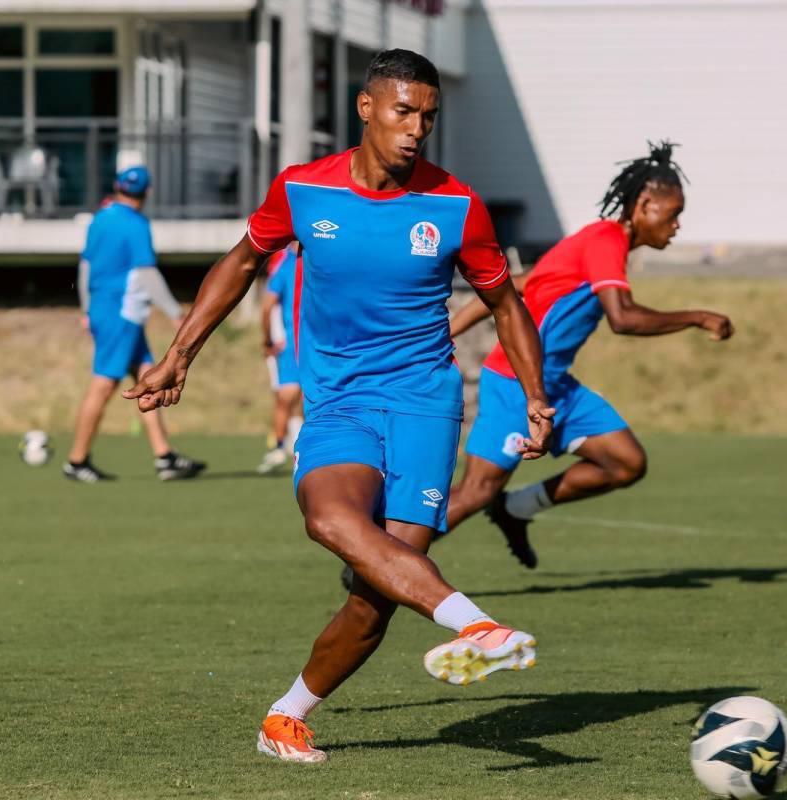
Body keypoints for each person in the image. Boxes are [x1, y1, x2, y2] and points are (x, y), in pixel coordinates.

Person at [124, 49, 555, 764]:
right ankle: (478, 627)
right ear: (366, 108)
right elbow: (239, 262)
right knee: (329, 516)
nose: (417, 128)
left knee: (376, 591)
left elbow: (504, 302)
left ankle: (285, 718)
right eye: (403, 111)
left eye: (428, 115)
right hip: (342, 402)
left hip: (425, 404)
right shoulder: (303, 190)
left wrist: (536, 397)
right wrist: (179, 354)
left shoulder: (457, 205)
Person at [443, 140, 733, 567]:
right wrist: (697, 317)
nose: (676, 226)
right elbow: (623, 317)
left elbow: (519, 284)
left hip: (555, 385)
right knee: (475, 492)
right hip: (516, 384)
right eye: (673, 214)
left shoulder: (597, 245)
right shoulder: (604, 240)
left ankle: (515, 508)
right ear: (645, 204)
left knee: (625, 462)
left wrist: (450, 330)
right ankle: (382, 559)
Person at [64, 165, 207, 483]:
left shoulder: (100, 218)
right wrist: (174, 312)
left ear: (117, 187)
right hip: (122, 313)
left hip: (104, 309)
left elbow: (85, 265)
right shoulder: (136, 224)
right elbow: (146, 273)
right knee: (103, 385)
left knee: (148, 377)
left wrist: (87, 309)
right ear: (148, 192)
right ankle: (76, 461)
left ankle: (164, 457)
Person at [256, 243, 304, 474]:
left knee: (286, 396)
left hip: (295, 343)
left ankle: (281, 447)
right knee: (301, 398)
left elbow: (266, 307)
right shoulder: (320, 260)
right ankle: (288, 447)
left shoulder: (285, 265)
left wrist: (267, 340)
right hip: (315, 342)